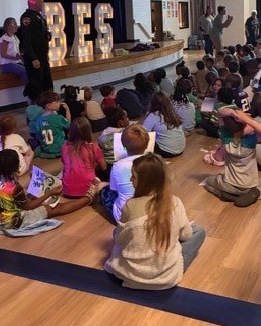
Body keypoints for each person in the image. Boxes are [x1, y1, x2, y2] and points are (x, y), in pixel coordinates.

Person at [104, 153, 206, 290]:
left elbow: (120, 240)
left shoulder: (129, 206)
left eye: (133, 176)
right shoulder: (175, 202)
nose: (130, 179)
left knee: (117, 231)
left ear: (146, 181)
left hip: (130, 275)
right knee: (199, 231)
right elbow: (186, 236)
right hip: (165, 278)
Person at [0, 149, 91, 230]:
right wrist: (50, 193)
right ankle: (88, 198)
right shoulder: (14, 187)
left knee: (32, 196)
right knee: (57, 208)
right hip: (14, 222)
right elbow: (27, 207)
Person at [203, 106, 261, 207]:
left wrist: (233, 113)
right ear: (244, 124)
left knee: (208, 181)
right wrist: (246, 118)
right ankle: (257, 193)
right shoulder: (250, 141)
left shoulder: (225, 137)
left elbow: (221, 111)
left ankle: (224, 194)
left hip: (229, 184)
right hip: (248, 185)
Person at [99, 124, 150, 223]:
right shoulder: (153, 164)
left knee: (103, 189)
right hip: (150, 212)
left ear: (123, 145)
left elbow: (114, 189)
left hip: (123, 217)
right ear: (147, 145)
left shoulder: (117, 166)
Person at [61, 117, 107, 200]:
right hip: (87, 192)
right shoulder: (93, 146)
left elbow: (65, 164)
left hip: (67, 191)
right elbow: (104, 167)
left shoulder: (65, 147)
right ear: (88, 131)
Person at [19, 0, 53, 91]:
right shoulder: (27, 18)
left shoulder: (39, 17)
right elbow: (27, 40)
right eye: (41, 1)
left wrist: (46, 53)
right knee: (37, 84)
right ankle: (36, 105)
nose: (42, 4)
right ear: (33, 2)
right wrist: (33, 58)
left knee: (47, 83)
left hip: (42, 55)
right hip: (35, 56)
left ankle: (48, 104)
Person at [143, 92, 186, 158]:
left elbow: (143, 132)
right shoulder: (172, 112)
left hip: (167, 151)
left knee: (146, 138)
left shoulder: (153, 115)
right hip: (181, 148)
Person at [34, 91, 70, 158]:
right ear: (49, 106)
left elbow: (38, 137)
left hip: (47, 149)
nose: (59, 103)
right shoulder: (58, 118)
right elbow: (68, 126)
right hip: (60, 149)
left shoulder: (38, 120)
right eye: (57, 102)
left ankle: (45, 153)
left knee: (37, 147)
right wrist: (67, 110)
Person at [0, 17, 28, 83]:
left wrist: (20, 56)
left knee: (29, 67)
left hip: (14, 62)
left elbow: (15, 52)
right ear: (8, 26)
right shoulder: (5, 39)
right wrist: (15, 58)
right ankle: (29, 88)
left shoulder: (14, 37)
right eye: (14, 24)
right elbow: (3, 54)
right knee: (24, 71)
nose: (16, 26)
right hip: (7, 64)